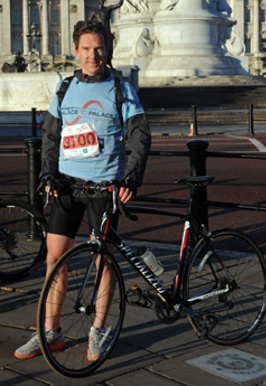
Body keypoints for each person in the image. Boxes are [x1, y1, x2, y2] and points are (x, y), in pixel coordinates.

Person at [14, 20, 151, 361]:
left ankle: (99, 329)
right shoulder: (64, 88)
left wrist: (131, 178)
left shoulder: (122, 90)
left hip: (105, 188)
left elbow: (140, 136)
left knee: (103, 262)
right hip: (67, 186)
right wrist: (48, 174)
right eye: (87, 49)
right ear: (76, 51)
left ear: (107, 49)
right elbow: (50, 137)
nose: (93, 55)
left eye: (99, 48)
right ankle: (51, 331)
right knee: (53, 259)